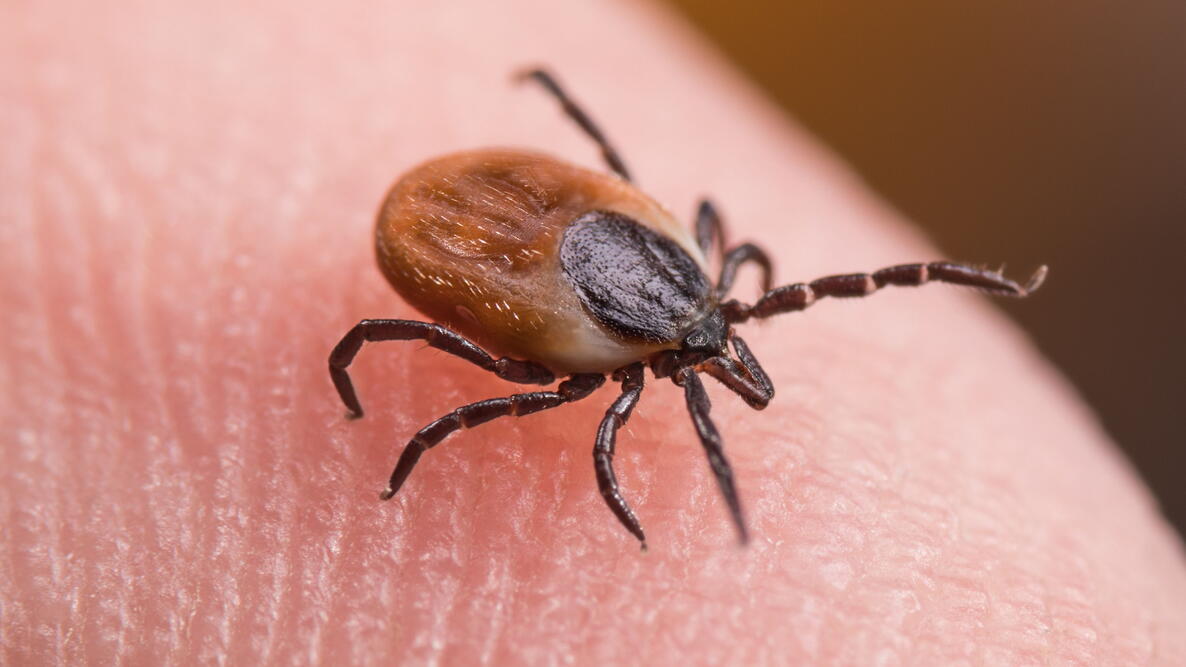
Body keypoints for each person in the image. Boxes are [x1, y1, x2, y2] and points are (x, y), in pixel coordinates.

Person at [3, 1, 1184, 663]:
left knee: (518, 384)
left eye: (719, 327)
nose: (726, 349)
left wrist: (696, 319)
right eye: (715, 330)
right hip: (459, 235)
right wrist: (409, 431)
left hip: (517, 232)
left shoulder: (686, 290)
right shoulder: (630, 347)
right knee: (495, 397)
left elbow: (678, 245)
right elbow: (558, 390)